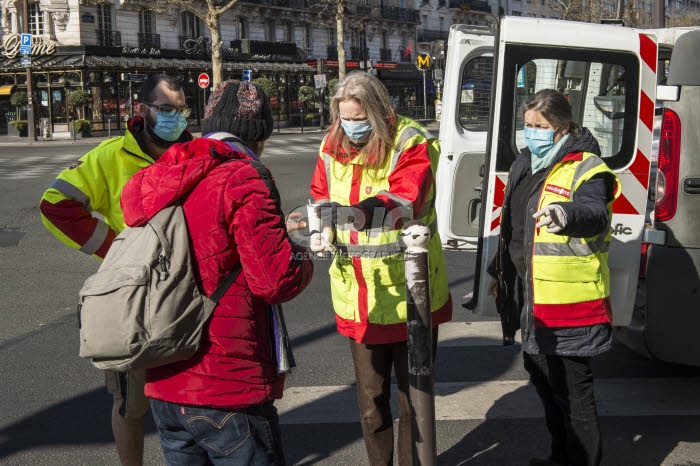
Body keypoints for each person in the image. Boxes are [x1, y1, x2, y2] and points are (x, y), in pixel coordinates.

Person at [120, 79, 313, 465]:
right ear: (258, 134)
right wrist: (302, 250)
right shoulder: (243, 176)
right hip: (227, 379)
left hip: (165, 376)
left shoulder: (160, 174)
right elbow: (273, 280)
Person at [39, 74, 192, 466]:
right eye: (166, 110)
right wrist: (115, 251)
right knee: (131, 404)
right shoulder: (110, 156)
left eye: (181, 109)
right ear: (142, 110)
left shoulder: (196, 152)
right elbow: (56, 204)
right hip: (135, 299)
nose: (176, 118)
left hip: (193, 292)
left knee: (195, 395)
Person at [309, 71, 452, 466]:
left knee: (414, 402)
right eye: (344, 118)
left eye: (358, 117)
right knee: (371, 401)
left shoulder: (410, 140)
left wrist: (352, 215)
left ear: (379, 111)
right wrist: (320, 226)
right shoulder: (331, 141)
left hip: (411, 293)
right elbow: (320, 194)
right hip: (360, 296)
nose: (350, 126)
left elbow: (404, 198)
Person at [487, 89, 620, 466]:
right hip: (532, 297)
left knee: (574, 395)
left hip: (569, 304)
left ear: (562, 128)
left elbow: (595, 212)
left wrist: (566, 215)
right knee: (545, 383)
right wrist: (498, 273)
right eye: (527, 125)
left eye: (540, 127)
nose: (532, 133)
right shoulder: (525, 162)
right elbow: (512, 226)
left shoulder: (586, 166)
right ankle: (560, 456)